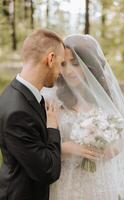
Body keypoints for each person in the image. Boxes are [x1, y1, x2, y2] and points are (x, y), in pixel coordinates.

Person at [42, 34, 124, 200]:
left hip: (100, 179)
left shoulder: (104, 98)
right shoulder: (52, 100)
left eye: (75, 63)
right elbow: (41, 148)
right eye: (63, 64)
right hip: (67, 182)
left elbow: (120, 142)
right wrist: (65, 149)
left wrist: (105, 147)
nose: (69, 71)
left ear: (89, 65)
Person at [0, 29, 65, 200]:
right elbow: (48, 171)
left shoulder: (17, 92)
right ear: (50, 59)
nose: (61, 72)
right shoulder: (18, 112)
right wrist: (52, 128)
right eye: (61, 63)